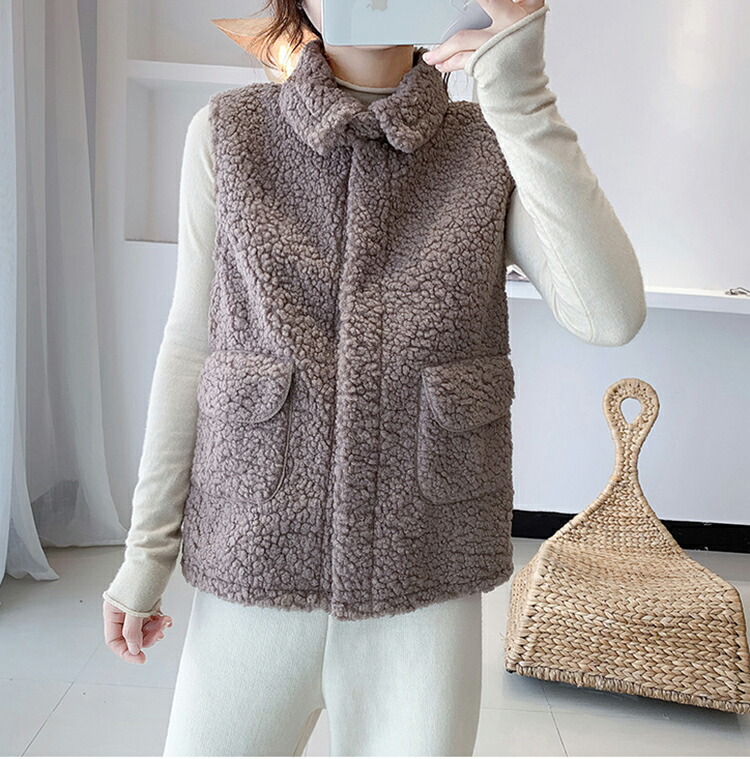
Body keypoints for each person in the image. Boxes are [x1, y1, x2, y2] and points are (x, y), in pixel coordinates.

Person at [101, 0, 647, 755]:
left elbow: (610, 314)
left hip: (423, 578)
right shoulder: (230, 132)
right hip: (255, 557)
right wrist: (146, 554)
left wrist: (519, 90)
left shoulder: (487, 145)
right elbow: (190, 346)